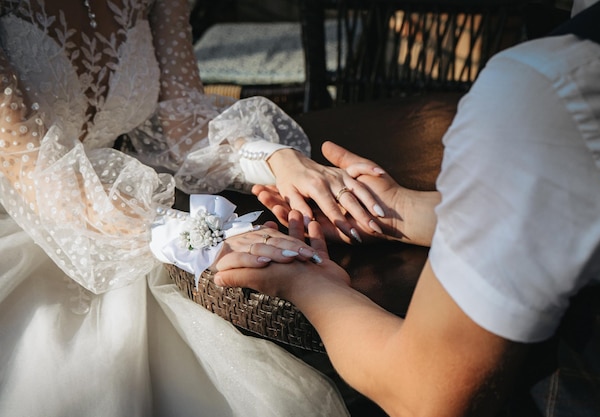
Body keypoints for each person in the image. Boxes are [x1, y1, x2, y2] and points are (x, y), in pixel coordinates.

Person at [214, 0, 600, 415]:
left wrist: (306, 281)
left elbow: (424, 393)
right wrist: (399, 210)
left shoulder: (548, 88)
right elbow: (573, 211)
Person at [0, 0, 373, 415]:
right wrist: (191, 235)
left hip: (131, 205)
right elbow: (32, 167)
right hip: (30, 219)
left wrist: (274, 161)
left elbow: (181, 119)